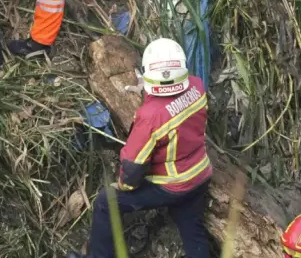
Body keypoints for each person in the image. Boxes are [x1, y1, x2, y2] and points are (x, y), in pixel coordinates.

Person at [80, 38, 213, 258]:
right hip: (200, 175)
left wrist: (124, 185)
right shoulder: (196, 86)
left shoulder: (150, 117)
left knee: (107, 202)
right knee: (192, 231)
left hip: (171, 186)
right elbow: (172, 98)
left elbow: (132, 167)